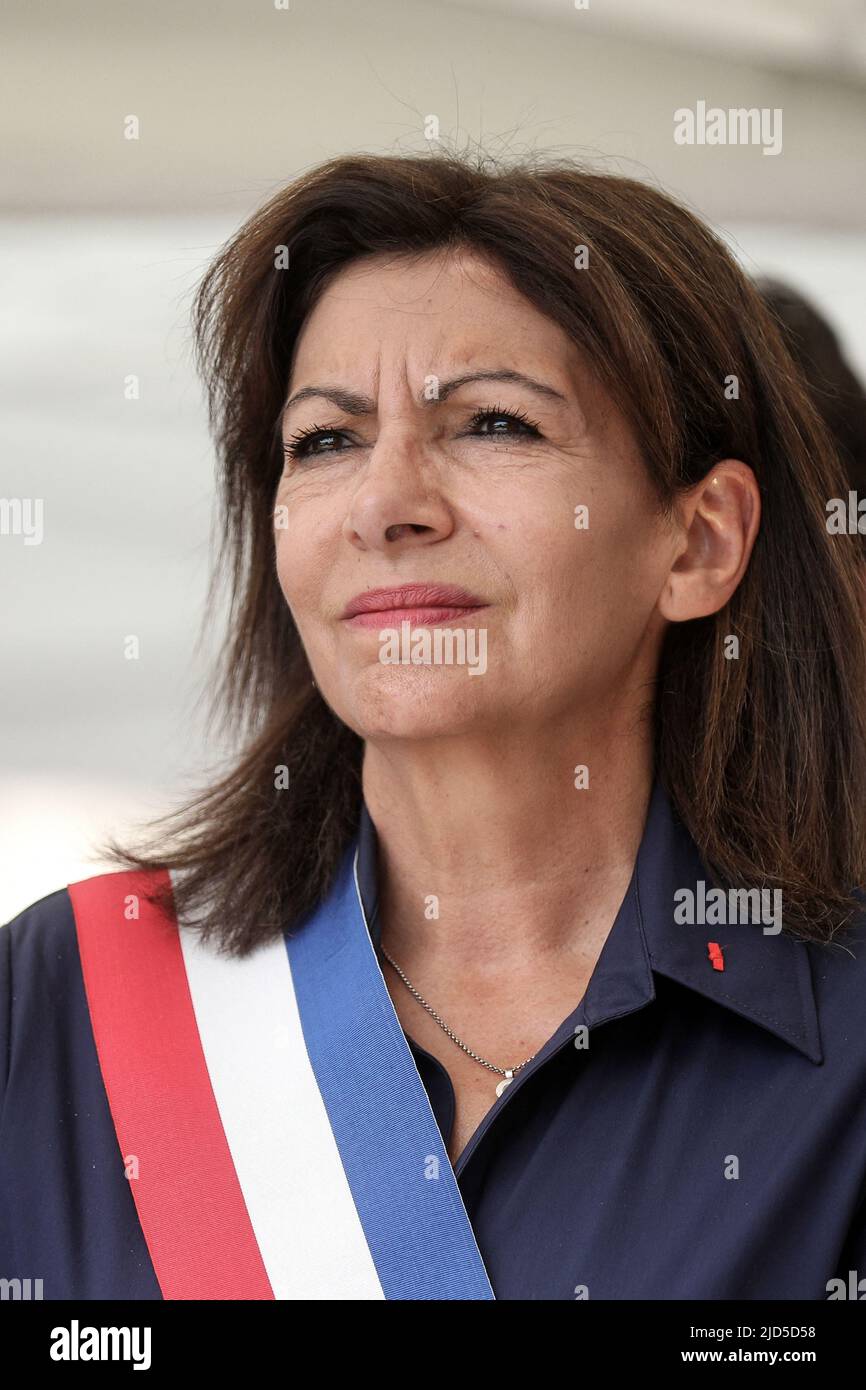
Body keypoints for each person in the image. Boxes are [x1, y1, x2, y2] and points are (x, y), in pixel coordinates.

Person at [3, 149, 866, 1301]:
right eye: (324, 440)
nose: (386, 504)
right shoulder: (62, 1002)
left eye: (491, 424)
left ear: (698, 540)